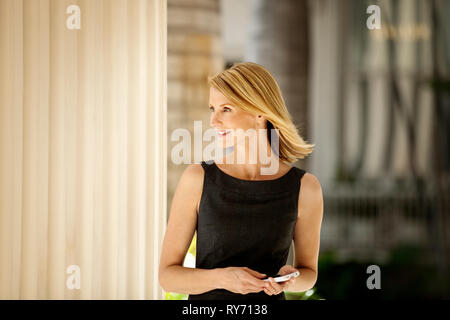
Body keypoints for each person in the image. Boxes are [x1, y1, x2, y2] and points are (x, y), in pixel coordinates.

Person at [159, 62, 323, 300]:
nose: (214, 121)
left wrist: (290, 279)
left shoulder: (305, 188)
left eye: (225, 109)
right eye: (212, 109)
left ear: (259, 113)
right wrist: (224, 278)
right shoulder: (198, 179)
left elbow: (309, 273)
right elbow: (167, 276)